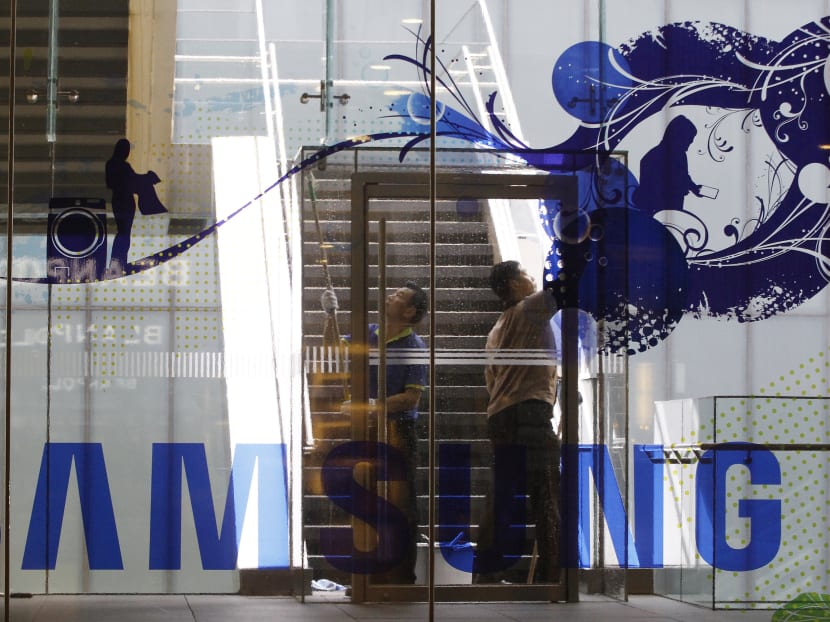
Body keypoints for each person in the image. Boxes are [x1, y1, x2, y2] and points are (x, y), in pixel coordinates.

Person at [321, 281, 428, 584]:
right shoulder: (369, 334)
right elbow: (332, 351)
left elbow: (411, 397)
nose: (390, 295)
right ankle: (367, 571)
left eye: (399, 296)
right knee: (363, 499)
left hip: (398, 431)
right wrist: (330, 316)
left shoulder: (413, 347)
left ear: (409, 312)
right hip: (367, 430)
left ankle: (400, 575)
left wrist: (372, 405)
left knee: (399, 502)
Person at [475, 260, 561, 584]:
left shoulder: (495, 330)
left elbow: (491, 383)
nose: (531, 279)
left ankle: (486, 572)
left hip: (501, 416)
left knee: (502, 495)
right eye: (526, 274)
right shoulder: (530, 309)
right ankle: (554, 576)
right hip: (530, 415)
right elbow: (564, 287)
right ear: (513, 284)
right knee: (547, 491)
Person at [105, 138, 167, 276]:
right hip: (124, 201)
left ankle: (118, 263)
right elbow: (131, 180)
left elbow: (130, 180)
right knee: (124, 233)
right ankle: (118, 264)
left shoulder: (113, 164)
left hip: (122, 201)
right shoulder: (120, 166)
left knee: (123, 233)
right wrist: (146, 178)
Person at [632, 115, 703, 215]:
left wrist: (693, 187)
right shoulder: (651, 158)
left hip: (674, 209)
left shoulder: (680, 155)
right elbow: (652, 189)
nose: (688, 145)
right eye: (687, 141)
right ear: (677, 137)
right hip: (657, 212)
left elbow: (684, 176)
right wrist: (680, 188)